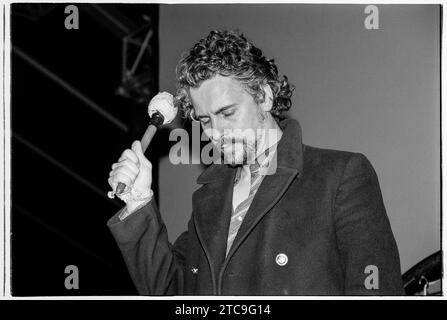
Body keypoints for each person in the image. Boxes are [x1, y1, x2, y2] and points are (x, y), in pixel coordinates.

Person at [107, 30, 403, 295]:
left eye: (227, 112)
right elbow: (170, 290)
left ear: (264, 96)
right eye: (205, 120)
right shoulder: (208, 200)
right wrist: (138, 201)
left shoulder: (340, 176)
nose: (216, 133)